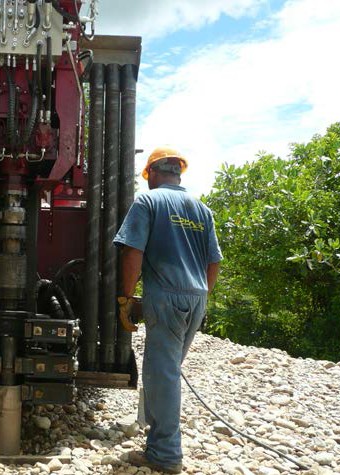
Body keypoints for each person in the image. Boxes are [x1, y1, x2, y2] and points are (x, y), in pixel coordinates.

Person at [113, 147, 222, 474]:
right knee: (167, 370)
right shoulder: (202, 209)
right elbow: (214, 261)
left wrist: (126, 298)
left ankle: (165, 454)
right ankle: (155, 436)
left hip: (166, 297)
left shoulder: (149, 202)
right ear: (178, 172)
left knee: (163, 373)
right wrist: (200, 296)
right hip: (197, 296)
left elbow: (133, 251)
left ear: (153, 174)